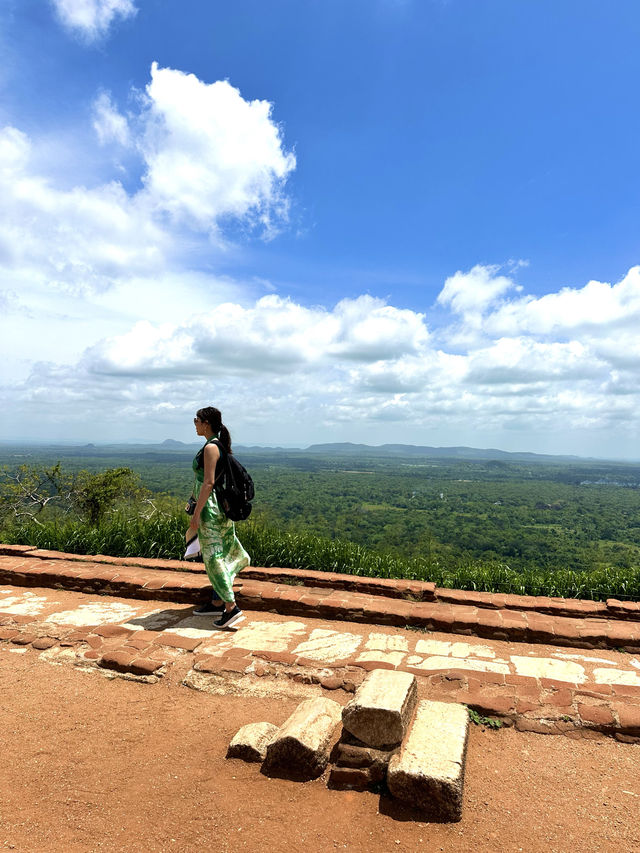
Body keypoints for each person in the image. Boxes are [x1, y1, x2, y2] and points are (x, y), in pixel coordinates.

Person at [187, 407, 250, 628]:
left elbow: (208, 483)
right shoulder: (214, 445)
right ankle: (216, 601)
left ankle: (231, 607)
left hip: (211, 509)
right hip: (216, 507)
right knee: (220, 552)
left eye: (196, 420)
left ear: (206, 423)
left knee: (214, 557)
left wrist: (196, 514)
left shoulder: (211, 447)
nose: (194, 423)